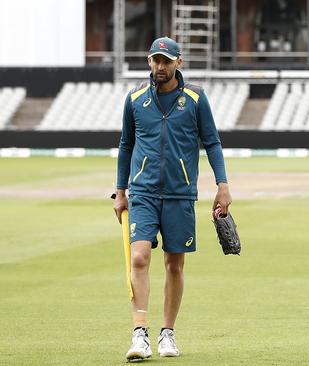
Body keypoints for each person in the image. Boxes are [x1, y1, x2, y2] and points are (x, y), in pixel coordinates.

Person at [112, 36, 232, 362]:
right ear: (149, 62)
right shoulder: (135, 99)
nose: (160, 66)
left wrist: (222, 185)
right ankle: (140, 333)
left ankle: (167, 333)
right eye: (155, 60)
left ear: (179, 62)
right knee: (138, 258)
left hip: (180, 193)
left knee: (174, 265)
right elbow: (126, 146)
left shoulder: (195, 98)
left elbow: (213, 142)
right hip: (143, 192)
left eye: (166, 61)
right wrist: (120, 191)